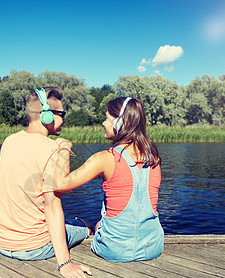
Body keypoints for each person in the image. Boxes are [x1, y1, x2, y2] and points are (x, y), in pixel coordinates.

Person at [0, 87, 92, 278]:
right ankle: (88, 229)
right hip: (34, 247)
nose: (64, 119)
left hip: (1, 242)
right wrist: (65, 264)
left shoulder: (9, 141)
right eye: (62, 115)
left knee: (70, 222)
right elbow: (52, 206)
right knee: (84, 226)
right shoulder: (51, 149)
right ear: (47, 116)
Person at [53, 97, 164, 263]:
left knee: (93, 225)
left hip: (114, 250)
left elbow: (60, 184)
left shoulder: (105, 158)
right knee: (101, 223)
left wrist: (63, 149)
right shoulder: (153, 158)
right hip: (153, 247)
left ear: (119, 123)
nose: (104, 123)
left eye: (107, 118)